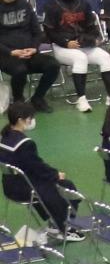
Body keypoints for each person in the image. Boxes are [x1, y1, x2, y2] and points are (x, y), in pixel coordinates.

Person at [0, 102, 82, 240]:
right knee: (66, 186)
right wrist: (56, 174)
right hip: (24, 188)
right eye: (30, 118)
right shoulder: (25, 143)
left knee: (48, 186)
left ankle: (54, 221)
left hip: (9, 186)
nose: (32, 121)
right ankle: (62, 226)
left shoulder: (4, 137)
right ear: (21, 120)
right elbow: (37, 167)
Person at [42, 0, 110, 110]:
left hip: (84, 44)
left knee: (105, 57)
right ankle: (81, 99)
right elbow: (49, 32)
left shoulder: (83, 4)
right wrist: (66, 43)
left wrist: (95, 39)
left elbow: (91, 26)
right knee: (80, 58)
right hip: (63, 47)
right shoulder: (52, 6)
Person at [0, 0, 58, 110]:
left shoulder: (24, 4)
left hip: (29, 52)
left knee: (53, 65)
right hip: (6, 55)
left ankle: (38, 98)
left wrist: (34, 48)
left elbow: (36, 31)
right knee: (20, 70)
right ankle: (18, 101)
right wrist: (11, 52)